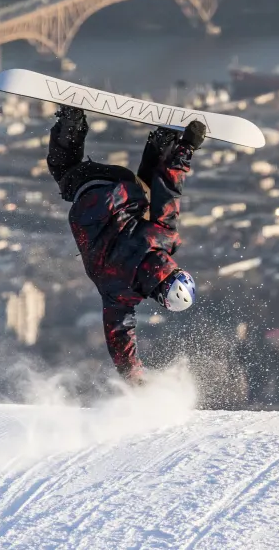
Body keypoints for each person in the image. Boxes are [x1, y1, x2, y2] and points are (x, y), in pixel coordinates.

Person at [46, 104, 206, 385]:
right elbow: (121, 340)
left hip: (119, 182)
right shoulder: (120, 294)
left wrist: (186, 148)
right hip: (83, 193)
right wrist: (134, 380)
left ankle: (162, 142)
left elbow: (169, 188)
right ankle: (71, 122)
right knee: (63, 169)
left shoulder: (163, 238)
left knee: (151, 196)